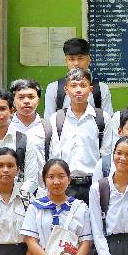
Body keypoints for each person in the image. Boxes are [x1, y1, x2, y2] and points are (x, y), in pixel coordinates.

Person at [48, 68, 113, 202]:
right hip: (65, 185)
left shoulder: (102, 118)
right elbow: (54, 154)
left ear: (90, 89)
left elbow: (106, 154)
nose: (78, 90)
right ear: (66, 90)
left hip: (94, 185)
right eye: (73, 85)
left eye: (83, 85)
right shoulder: (57, 118)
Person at [44, 37, 113, 119]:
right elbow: (49, 121)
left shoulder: (101, 89)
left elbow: (108, 120)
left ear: (89, 60)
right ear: (66, 61)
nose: (76, 63)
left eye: (80, 58)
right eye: (71, 59)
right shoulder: (54, 88)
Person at [7, 78, 53, 162]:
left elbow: (54, 159)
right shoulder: (5, 127)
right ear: (13, 101)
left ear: (38, 100)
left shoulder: (48, 128)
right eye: (21, 97)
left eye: (31, 97)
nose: (26, 101)